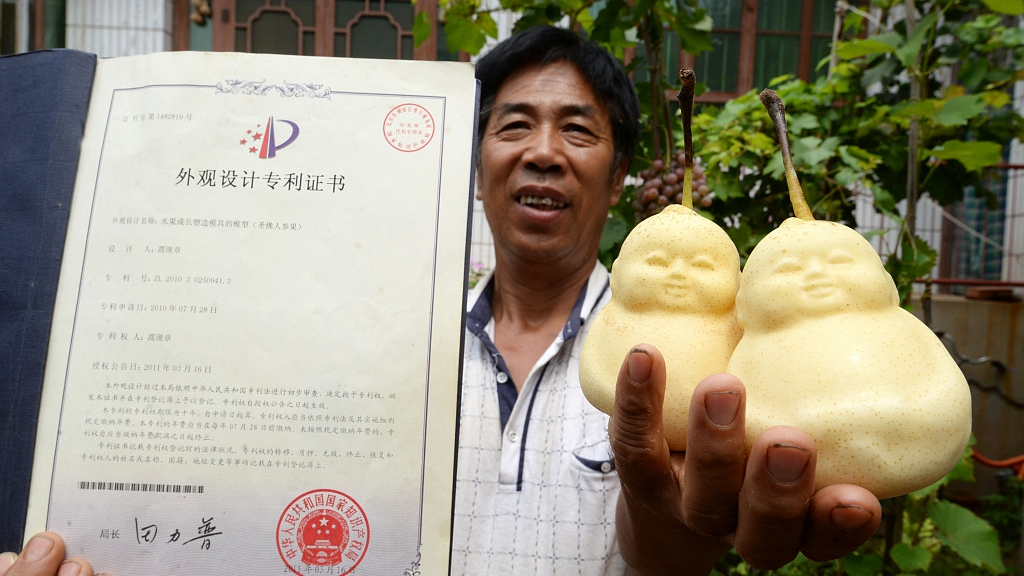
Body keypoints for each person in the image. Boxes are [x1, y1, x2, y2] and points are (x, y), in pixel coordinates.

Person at [1, 26, 881, 576]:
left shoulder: (691, 364)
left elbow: (674, 548)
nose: (542, 151)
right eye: (513, 124)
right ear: (474, 170)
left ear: (615, 182)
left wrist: (675, 524)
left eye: (577, 128)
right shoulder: (376, 343)